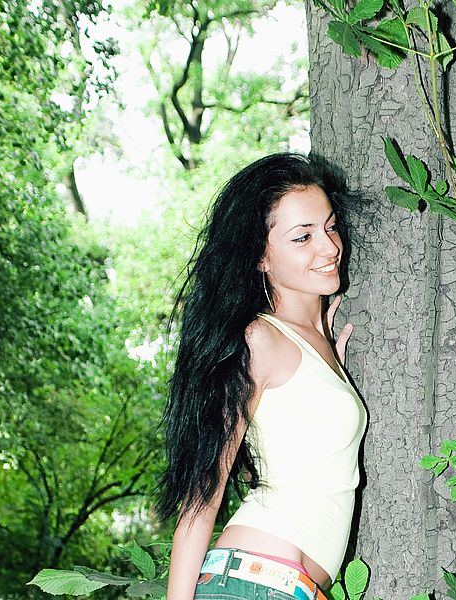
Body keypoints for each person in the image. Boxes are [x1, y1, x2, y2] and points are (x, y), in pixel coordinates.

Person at [158, 153, 365, 600]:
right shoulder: (259, 341)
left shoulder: (309, 343)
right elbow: (201, 501)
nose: (329, 248)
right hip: (256, 580)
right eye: (302, 237)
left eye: (329, 227)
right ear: (260, 258)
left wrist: (332, 371)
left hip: (290, 586)